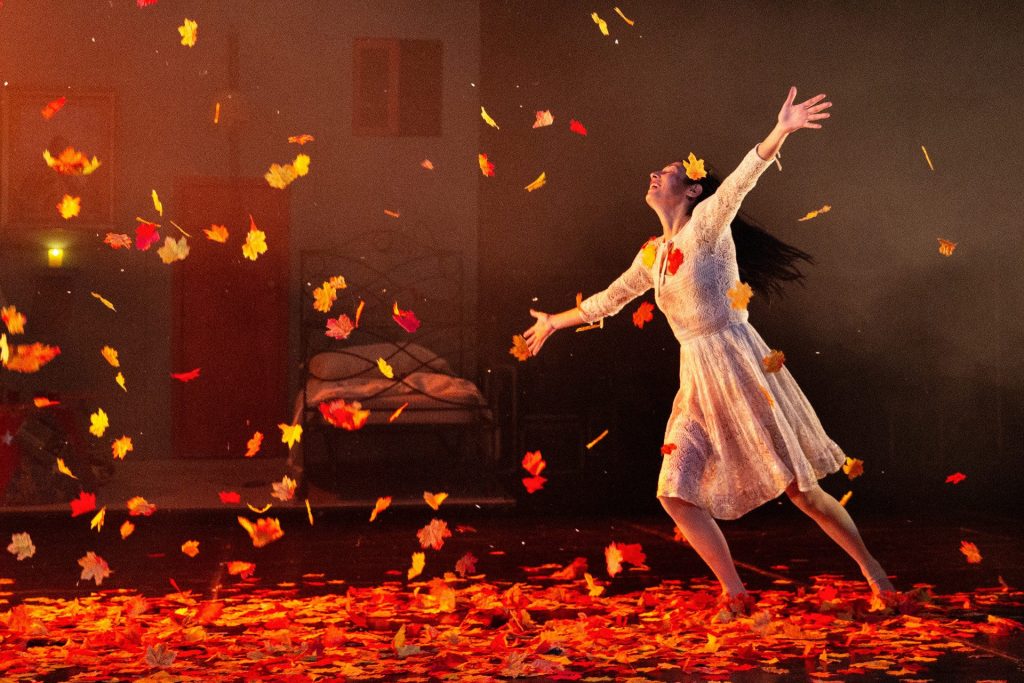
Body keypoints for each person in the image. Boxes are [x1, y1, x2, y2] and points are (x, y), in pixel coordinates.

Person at [522, 86, 896, 613]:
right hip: (697, 379)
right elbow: (609, 300)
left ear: (693, 191)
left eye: (669, 171)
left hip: (740, 366)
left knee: (801, 492)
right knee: (673, 492)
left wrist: (782, 129)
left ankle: (873, 570)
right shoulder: (651, 255)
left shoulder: (707, 226)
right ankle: (736, 593)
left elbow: (744, 177)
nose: (656, 174)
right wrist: (554, 324)